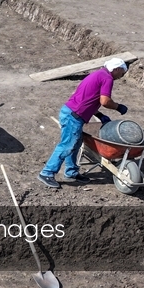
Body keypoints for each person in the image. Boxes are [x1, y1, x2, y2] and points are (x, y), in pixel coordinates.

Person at [39, 57, 129, 189]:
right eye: (122, 72)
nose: (122, 76)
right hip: (73, 116)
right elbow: (105, 101)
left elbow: (88, 98)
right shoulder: (107, 78)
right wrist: (118, 107)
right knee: (67, 145)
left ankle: (71, 172)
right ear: (116, 69)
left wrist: (99, 114)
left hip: (71, 112)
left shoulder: (97, 74)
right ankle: (46, 173)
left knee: (75, 144)